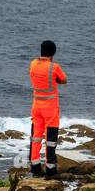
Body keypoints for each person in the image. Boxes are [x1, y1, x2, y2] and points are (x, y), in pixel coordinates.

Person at [28, 40, 66, 177]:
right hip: (50, 108)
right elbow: (63, 79)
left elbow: (34, 77)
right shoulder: (54, 67)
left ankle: (35, 166)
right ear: (53, 53)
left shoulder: (32, 64)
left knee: (36, 137)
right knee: (50, 139)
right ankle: (50, 169)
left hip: (36, 105)